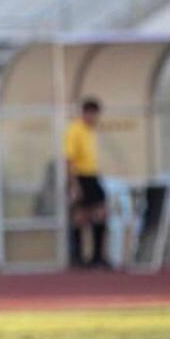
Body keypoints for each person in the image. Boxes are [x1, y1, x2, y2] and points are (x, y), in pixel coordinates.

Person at [64, 98, 109, 269]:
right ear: (85, 113)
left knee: (100, 213)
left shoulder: (91, 131)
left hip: (92, 176)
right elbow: (69, 159)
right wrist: (74, 184)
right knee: (80, 217)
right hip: (80, 177)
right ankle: (77, 256)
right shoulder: (75, 130)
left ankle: (97, 255)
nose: (94, 118)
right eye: (92, 114)